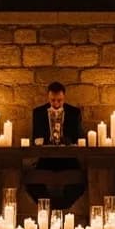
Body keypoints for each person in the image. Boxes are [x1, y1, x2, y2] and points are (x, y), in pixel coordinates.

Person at [24, 81, 86, 209]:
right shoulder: (38, 112)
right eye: (53, 100)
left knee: (81, 182)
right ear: (48, 97)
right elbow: (35, 137)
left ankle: (62, 207)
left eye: (60, 100)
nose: (56, 104)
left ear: (64, 97)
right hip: (46, 158)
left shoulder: (74, 112)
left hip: (68, 158)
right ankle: (47, 206)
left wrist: (67, 140)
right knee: (30, 182)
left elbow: (78, 136)